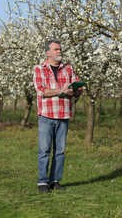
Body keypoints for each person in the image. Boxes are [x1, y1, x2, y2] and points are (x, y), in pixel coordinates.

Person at [33, 38, 82, 193]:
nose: (59, 51)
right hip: (47, 116)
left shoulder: (69, 69)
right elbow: (41, 90)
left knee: (60, 151)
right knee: (44, 150)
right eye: (56, 49)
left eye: (60, 49)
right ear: (48, 52)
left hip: (63, 115)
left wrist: (73, 90)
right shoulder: (39, 69)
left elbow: (77, 88)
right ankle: (43, 182)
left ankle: (55, 180)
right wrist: (62, 90)